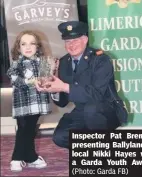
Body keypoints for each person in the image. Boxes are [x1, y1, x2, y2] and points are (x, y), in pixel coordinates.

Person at [35, 21, 128, 149]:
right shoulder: (64, 62)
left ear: (85, 40)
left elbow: (96, 94)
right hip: (82, 111)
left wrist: (64, 87)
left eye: (75, 40)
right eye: (68, 41)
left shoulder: (101, 59)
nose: (71, 45)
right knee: (60, 137)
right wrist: (52, 88)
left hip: (106, 109)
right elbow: (62, 102)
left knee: (92, 110)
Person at [7, 30, 52, 172]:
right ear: (18, 47)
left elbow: (47, 80)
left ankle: (30, 157)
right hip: (22, 103)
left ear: (38, 47)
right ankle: (16, 157)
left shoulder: (43, 62)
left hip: (37, 103)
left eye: (32, 43)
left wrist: (51, 71)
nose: (28, 47)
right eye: (23, 44)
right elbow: (14, 78)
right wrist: (31, 81)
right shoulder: (17, 63)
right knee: (23, 129)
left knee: (31, 130)